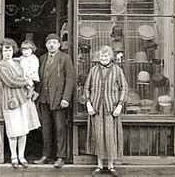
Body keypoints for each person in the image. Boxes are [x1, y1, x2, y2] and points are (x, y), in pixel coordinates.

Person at [0, 38, 40, 168]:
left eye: (10, 50)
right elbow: (10, 81)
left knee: (23, 130)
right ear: (1, 51)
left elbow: (23, 75)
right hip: (11, 101)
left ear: (13, 50)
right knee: (13, 131)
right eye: (5, 50)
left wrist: (28, 85)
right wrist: (26, 82)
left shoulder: (17, 63)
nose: (8, 53)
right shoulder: (1, 66)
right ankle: (14, 156)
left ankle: (21, 156)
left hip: (22, 100)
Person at [84, 45, 128, 176]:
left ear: (111, 57)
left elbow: (124, 88)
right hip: (96, 109)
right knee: (98, 136)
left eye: (106, 56)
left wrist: (120, 105)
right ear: (99, 57)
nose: (104, 58)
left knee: (110, 136)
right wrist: (88, 104)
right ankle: (99, 165)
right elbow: (86, 87)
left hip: (111, 109)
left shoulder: (117, 70)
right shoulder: (93, 70)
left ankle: (110, 166)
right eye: (102, 56)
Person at [34, 33, 76, 168]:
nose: (51, 44)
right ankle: (46, 155)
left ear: (59, 44)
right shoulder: (42, 58)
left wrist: (66, 98)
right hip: (43, 99)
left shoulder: (65, 58)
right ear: (46, 45)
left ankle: (61, 157)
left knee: (60, 129)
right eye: (49, 42)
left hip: (59, 99)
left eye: (54, 42)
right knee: (45, 129)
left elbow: (70, 80)